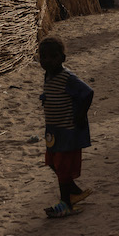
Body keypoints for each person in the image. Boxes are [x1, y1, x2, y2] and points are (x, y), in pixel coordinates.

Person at [37, 36, 94, 218]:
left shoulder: (67, 77)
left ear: (62, 58)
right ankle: (74, 191)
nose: (47, 61)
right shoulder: (49, 76)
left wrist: (79, 115)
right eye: (43, 57)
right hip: (53, 131)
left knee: (61, 167)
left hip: (67, 129)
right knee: (52, 163)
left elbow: (87, 92)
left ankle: (66, 203)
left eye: (52, 57)